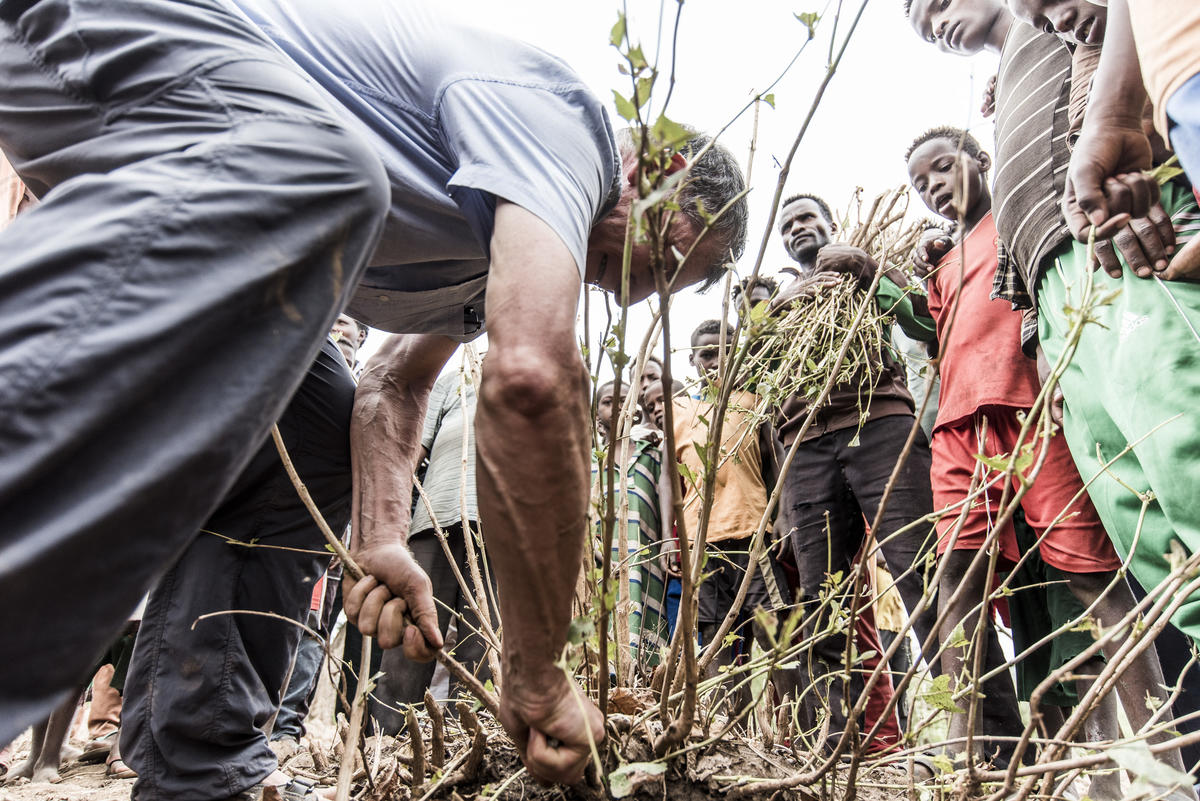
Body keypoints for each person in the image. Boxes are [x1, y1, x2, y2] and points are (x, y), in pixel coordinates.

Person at [0, 0, 748, 791]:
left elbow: (391, 383)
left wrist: (383, 538)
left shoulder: (486, 238)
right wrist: (536, 672)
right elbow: (532, 377)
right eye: (662, 263)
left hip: (173, 138)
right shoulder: (572, 129)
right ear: (654, 171)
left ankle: (201, 762)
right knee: (328, 173)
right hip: (94, 25)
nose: (636, 299)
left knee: (320, 409)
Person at [906, 2, 1196, 784]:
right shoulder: (956, 243)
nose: (932, 21)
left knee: (1125, 544)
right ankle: (974, 768)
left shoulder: (1068, 32)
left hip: (1080, 323)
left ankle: (1153, 765)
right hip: (1010, 379)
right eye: (918, 21)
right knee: (970, 586)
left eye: (936, 3)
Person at [906, 126, 1133, 788]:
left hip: (1030, 405)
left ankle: (1147, 745)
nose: (934, 187)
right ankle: (961, 743)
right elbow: (937, 341)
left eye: (943, 168)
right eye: (921, 185)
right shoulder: (941, 265)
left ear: (979, 157)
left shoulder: (1018, 212)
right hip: (957, 428)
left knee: (1089, 569)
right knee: (957, 572)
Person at [769, 193, 943, 746]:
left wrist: (868, 271)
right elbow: (766, 389)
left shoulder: (866, 268)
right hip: (806, 449)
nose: (799, 228)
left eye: (808, 219)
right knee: (823, 601)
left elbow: (926, 324)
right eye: (788, 224)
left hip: (880, 424)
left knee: (922, 572)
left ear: (831, 225)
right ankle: (838, 744)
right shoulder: (782, 303)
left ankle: (980, 736)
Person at [665, 320, 798, 716]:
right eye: (707, 353)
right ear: (692, 361)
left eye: (725, 350)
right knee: (716, 637)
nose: (717, 360)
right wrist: (672, 540)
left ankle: (794, 727)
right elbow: (667, 477)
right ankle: (730, 731)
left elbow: (776, 464)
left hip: (752, 534)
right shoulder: (681, 410)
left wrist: (782, 516)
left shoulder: (756, 402)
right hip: (699, 542)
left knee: (772, 628)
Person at [371, 365, 499, 727]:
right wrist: (391, 520)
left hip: (505, 526)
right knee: (412, 632)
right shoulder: (455, 377)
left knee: (485, 644)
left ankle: (471, 741)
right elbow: (414, 447)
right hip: (434, 517)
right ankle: (386, 737)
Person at [592, 379, 670, 674]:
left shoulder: (653, 455)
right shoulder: (591, 461)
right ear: (597, 412)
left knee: (644, 626)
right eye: (608, 401)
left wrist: (666, 542)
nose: (618, 407)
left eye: (625, 400)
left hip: (646, 561)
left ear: (637, 410)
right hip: (603, 564)